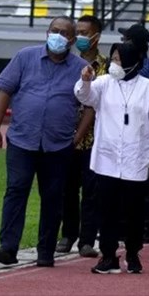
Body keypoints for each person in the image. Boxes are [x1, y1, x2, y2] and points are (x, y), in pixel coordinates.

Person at [0, 16, 89, 268]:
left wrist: (78, 136)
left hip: (58, 144)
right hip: (22, 140)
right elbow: (4, 92)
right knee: (15, 191)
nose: (58, 36)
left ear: (73, 40)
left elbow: (90, 105)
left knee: (54, 197)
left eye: (64, 33)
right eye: (54, 30)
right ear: (46, 32)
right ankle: (8, 247)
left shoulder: (81, 67)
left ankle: (46, 251)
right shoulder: (25, 57)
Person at [75, 42, 149, 275]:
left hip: (135, 160)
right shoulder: (104, 83)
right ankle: (108, 255)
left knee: (133, 212)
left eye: (118, 60)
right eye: (113, 59)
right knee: (105, 210)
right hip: (106, 160)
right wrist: (86, 79)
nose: (114, 64)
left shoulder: (148, 88)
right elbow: (84, 96)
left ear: (131, 61)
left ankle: (132, 252)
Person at [56, 15, 105, 258]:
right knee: (67, 188)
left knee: (92, 191)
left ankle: (87, 239)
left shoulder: (106, 67)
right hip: (66, 135)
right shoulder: (66, 62)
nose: (82, 38)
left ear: (97, 36)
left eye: (87, 33)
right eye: (79, 33)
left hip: (96, 139)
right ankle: (68, 233)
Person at [120, 23, 149, 243]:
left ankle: (144, 227)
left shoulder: (145, 70)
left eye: (126, 40)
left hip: (140, 131)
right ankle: (130, 225)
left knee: (143, 181)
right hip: (126, 130)